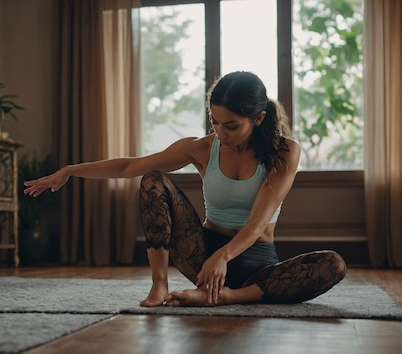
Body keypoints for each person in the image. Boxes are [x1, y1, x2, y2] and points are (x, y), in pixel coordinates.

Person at [23, 71, 347, 307]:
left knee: (332, 265)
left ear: (259, 118)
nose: (221, 133)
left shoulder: (284, 151)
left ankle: (231, 296)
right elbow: (128, 166)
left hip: (256, 266)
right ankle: (160, 285)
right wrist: (68, 171)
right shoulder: (202, 148)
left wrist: (224, 256)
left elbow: (258, 222)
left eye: (231, 125)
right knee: (152, 179)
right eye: (215, 122)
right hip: (201, 257)